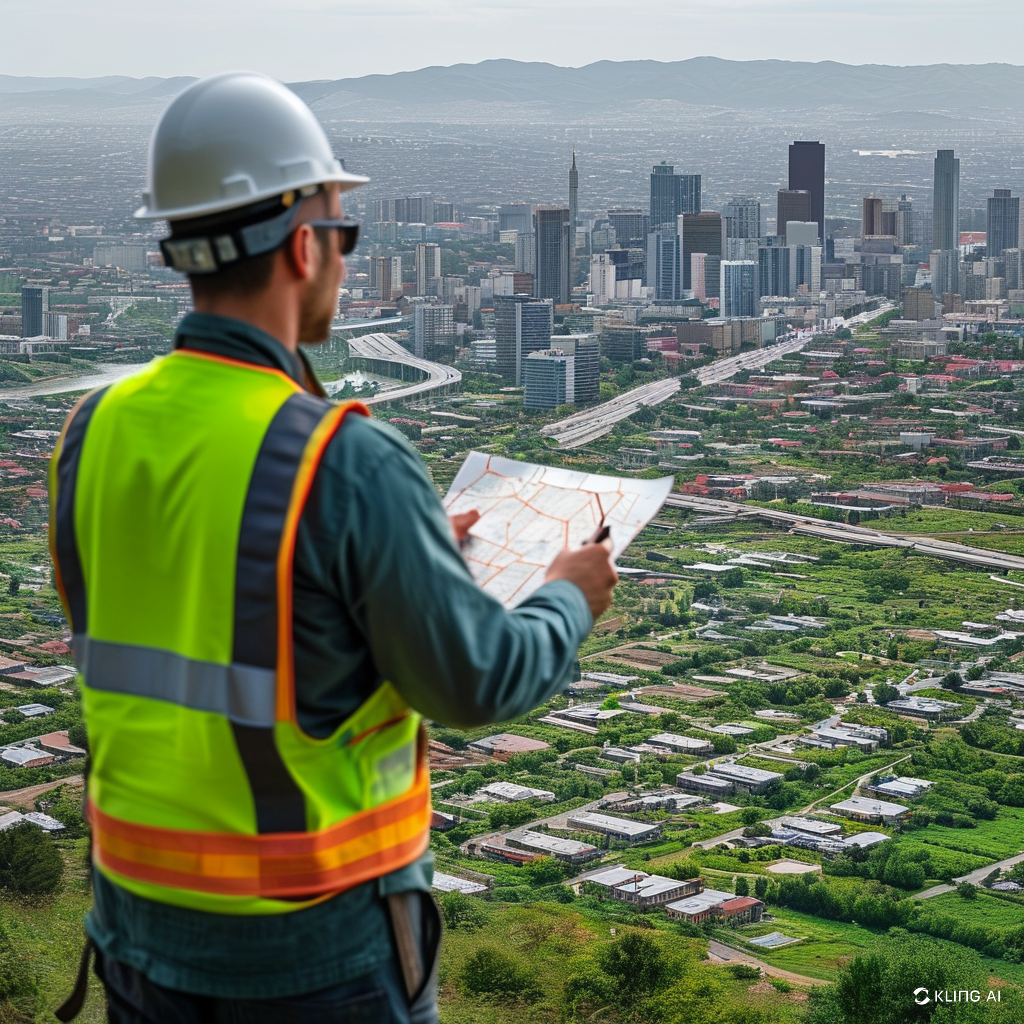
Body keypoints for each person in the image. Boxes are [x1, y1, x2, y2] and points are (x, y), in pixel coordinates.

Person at [48, 72, 617, 1024]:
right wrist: (569, 594)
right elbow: (475, 682)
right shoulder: (342, 460)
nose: (347, 264)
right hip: (315, 957)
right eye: (345, 237)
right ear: (306, 244)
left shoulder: (92, 430)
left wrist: (388, 558)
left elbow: (188, 606)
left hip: (137, 937)